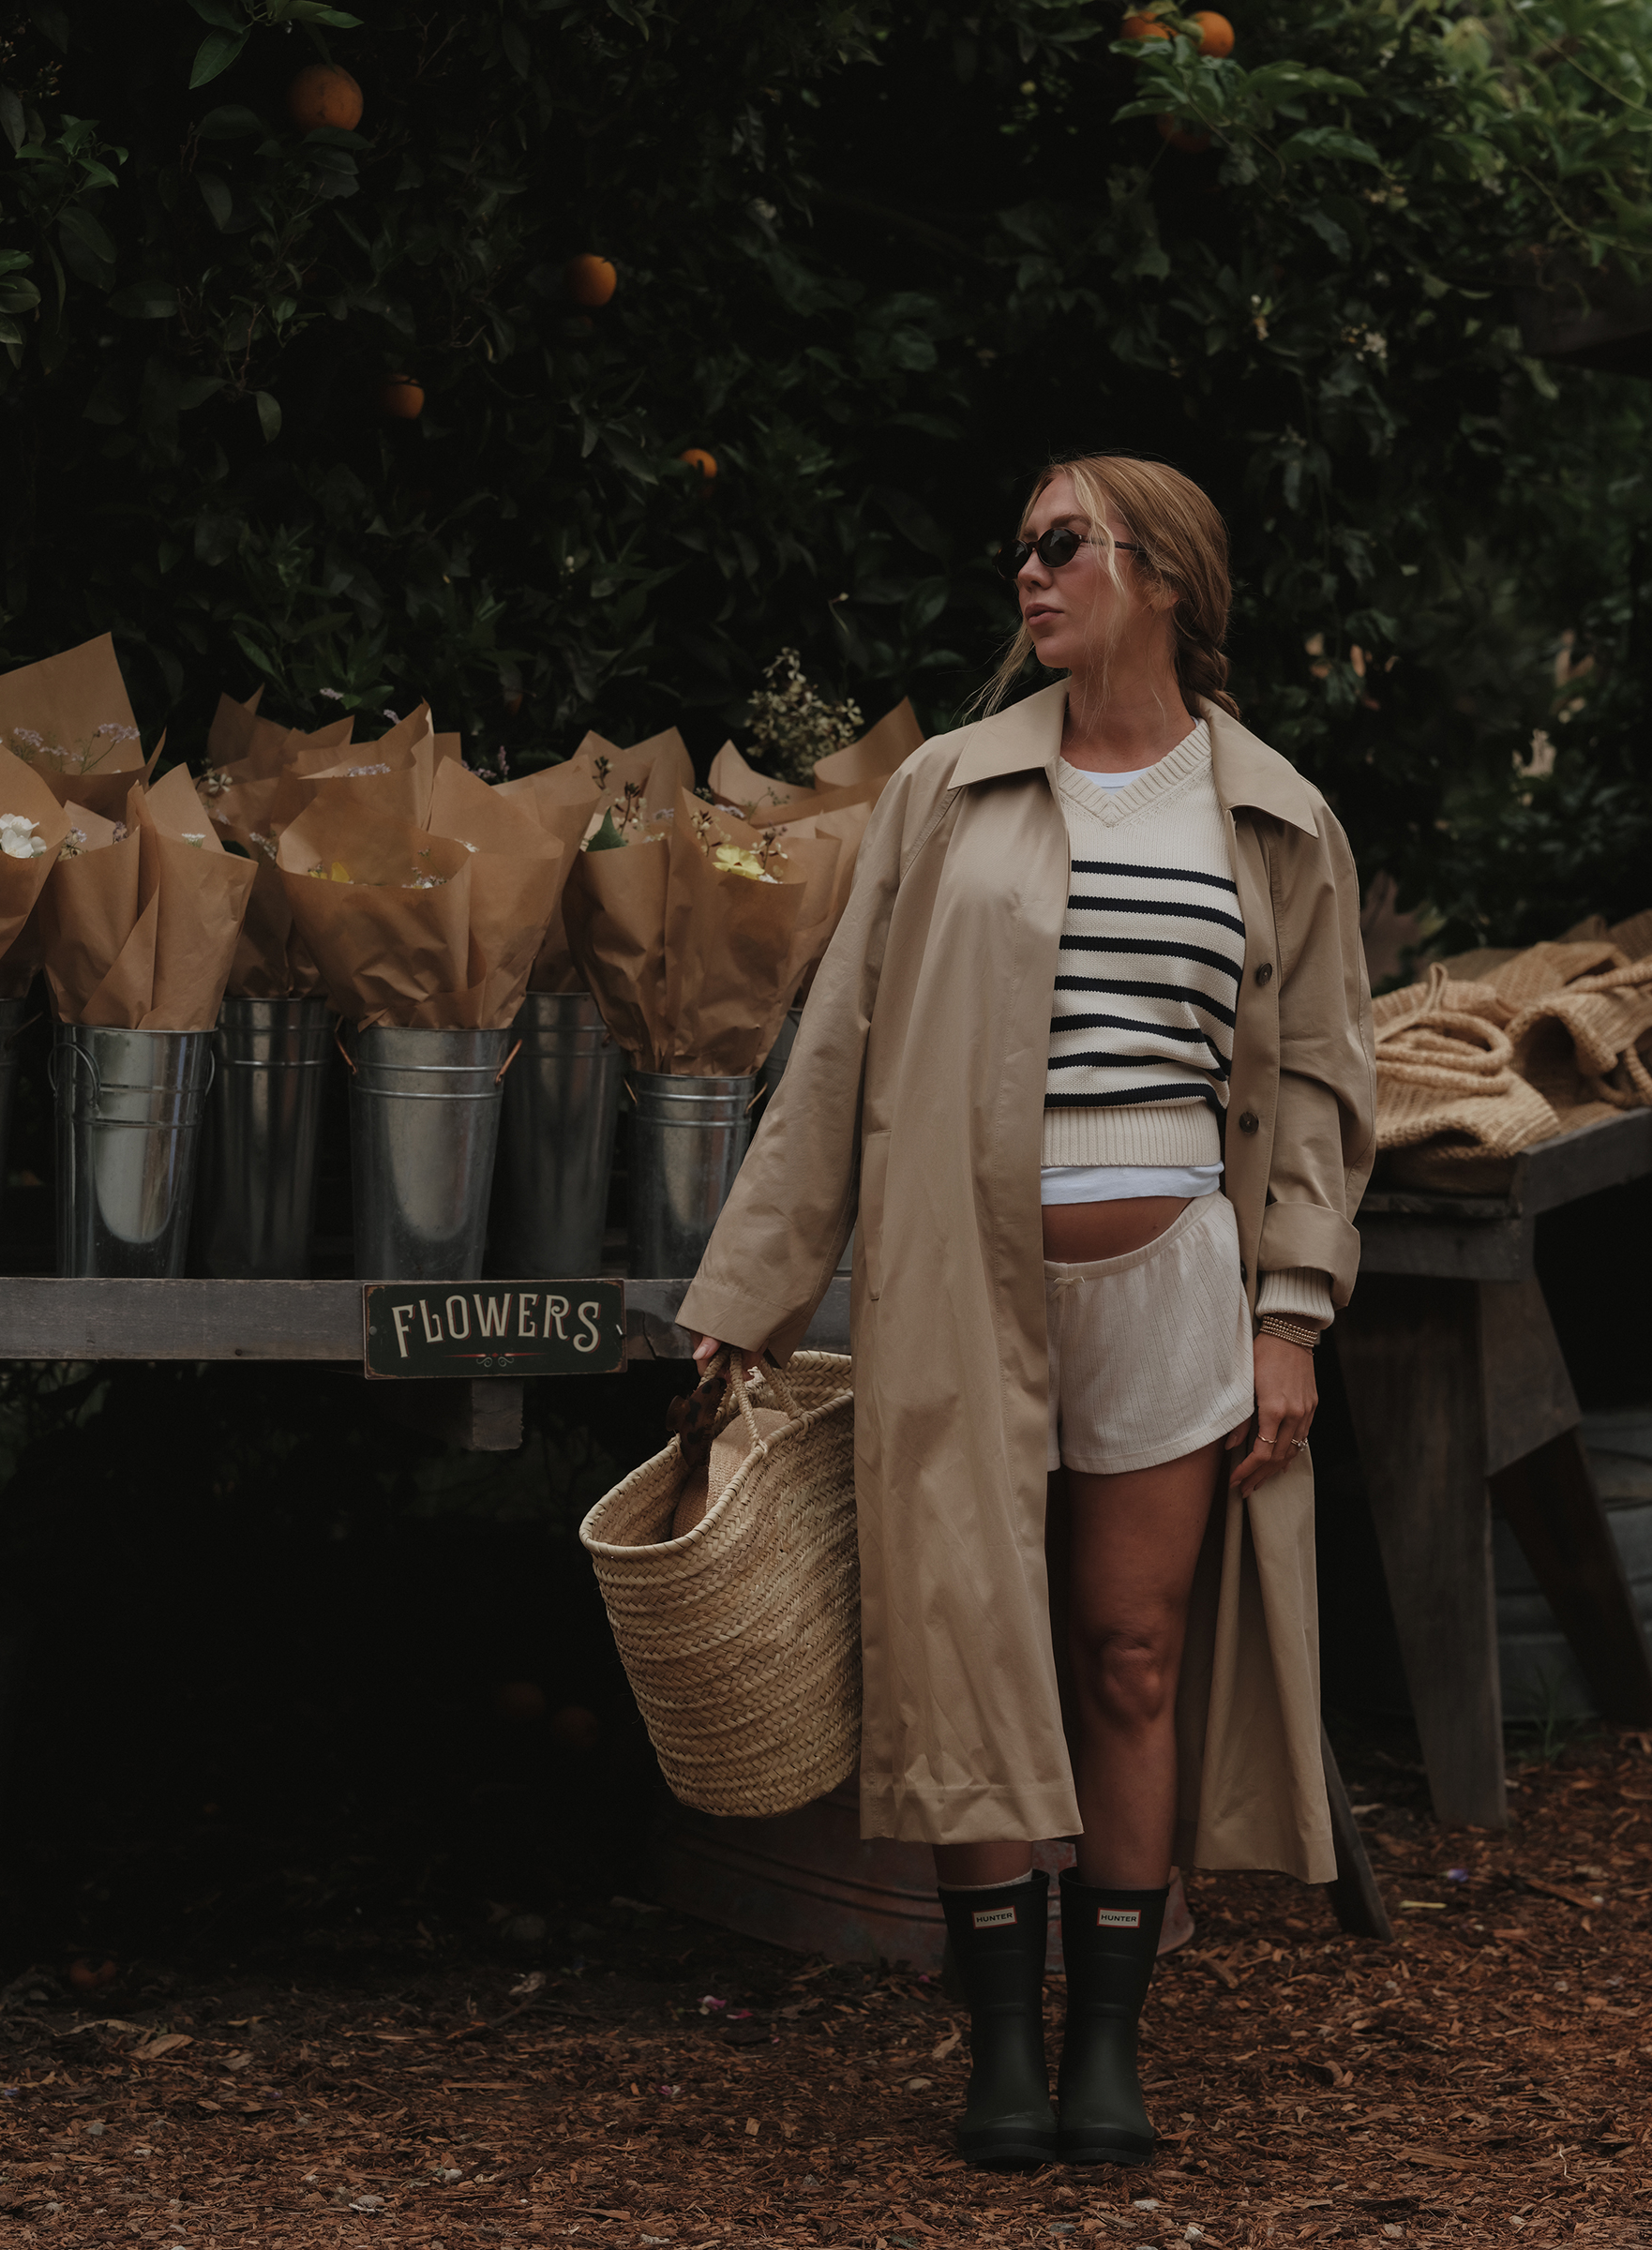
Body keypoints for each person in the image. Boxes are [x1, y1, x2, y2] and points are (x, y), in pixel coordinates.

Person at [677, 456, 1374, 2171]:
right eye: (1021, 552)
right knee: (970, 1656)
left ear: (1161, 575)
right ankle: (1000, 2043)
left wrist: (1287, 1317)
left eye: (1061, 547)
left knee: (1129, 1661)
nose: (1029, 578)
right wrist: (751, 1291)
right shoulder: (948, 791)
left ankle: (1110, 2047)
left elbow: (1320, 1099)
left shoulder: (1273, 815)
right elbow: (835, 1048)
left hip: (1174, 1294)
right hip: (958, 1278)